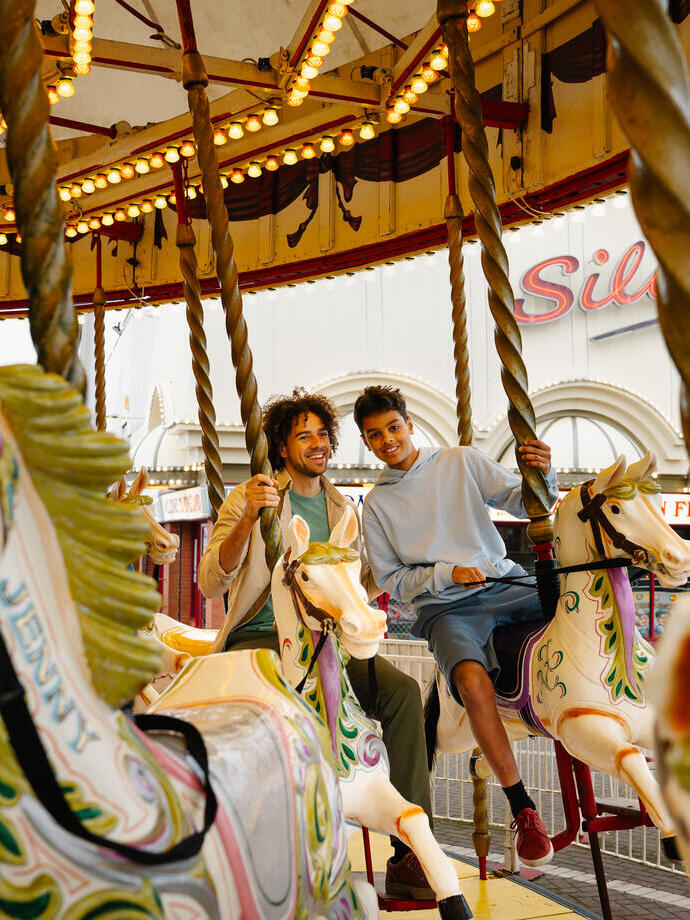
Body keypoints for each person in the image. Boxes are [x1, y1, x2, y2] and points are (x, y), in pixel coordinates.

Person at [198, 389, 437, 899]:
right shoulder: (252, 496)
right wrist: (247, 518)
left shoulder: (340, 505)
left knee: (402, 694)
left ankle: (412, 856)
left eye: (322, 434)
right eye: (303, 435)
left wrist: (427, 562)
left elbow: (365, 579)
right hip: (261, 634)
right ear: (282, 448)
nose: (317, 443)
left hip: (327, 643)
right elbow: (211, 581)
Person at [354, 384, 560, 867]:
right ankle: (524, 808)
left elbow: (523, 500)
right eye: (374, 434)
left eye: (393, 428)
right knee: (470, 679)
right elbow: (392, 581)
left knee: (578, 606)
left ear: (409, 423)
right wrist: (447, 573)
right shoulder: (377, 505)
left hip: (504, 583)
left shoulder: (460, 461)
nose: (387, 440)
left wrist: (543, 471)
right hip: (446, 608)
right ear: (366, 442)